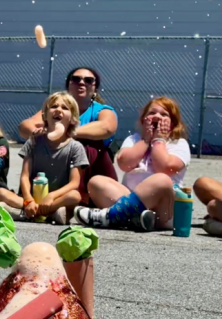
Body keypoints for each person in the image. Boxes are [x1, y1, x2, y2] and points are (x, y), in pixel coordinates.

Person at [76, 97, 189, 232]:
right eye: (152, 113)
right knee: (96, 182)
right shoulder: (133, 139)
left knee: (162, 180)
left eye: (164, 114)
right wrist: (146, 140)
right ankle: (136, 218)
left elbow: (165, 167)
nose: (157, 116)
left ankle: (110, 216)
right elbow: (124, 164)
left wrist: (159, 140)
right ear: (143, 120)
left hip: (164, 209)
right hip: (130, 196)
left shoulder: (178, 143)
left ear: (173, 124)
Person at [19, 67, 118, 205]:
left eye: (88, 80)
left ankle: (81, 198)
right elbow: (25, 126)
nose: (82, 83)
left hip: (92, 171)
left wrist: (66, 133)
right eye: (76, 79)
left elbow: (107, 127)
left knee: (86, 145)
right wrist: (38, 133)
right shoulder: (54, 109)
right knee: (39, 143)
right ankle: (36, 197)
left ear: (95, 89)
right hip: (58, 168)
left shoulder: (102, 110)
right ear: (68, 85)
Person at [0, 92, 87, 224]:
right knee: (0, 193)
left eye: (65, 108)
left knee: (75, 196)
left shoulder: (76, 147)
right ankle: (46, 213)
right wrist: (28, 199)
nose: (58, 110)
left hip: (55, 200)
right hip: (31, 198)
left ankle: (25, 213)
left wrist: (51, 196)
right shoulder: (34, 141)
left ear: (73, 118)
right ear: (45, 115)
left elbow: (74, 183)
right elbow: (24, 176)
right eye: (54, 106)